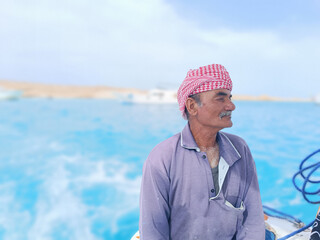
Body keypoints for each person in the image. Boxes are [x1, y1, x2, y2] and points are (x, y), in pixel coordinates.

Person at [139, 64, 265, 239]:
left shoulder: (240, 149)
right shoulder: (161, 158)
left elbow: (253, 219)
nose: (231, 106)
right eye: (220, 99)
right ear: (192, 106)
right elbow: (153, 231)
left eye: (230, 97)